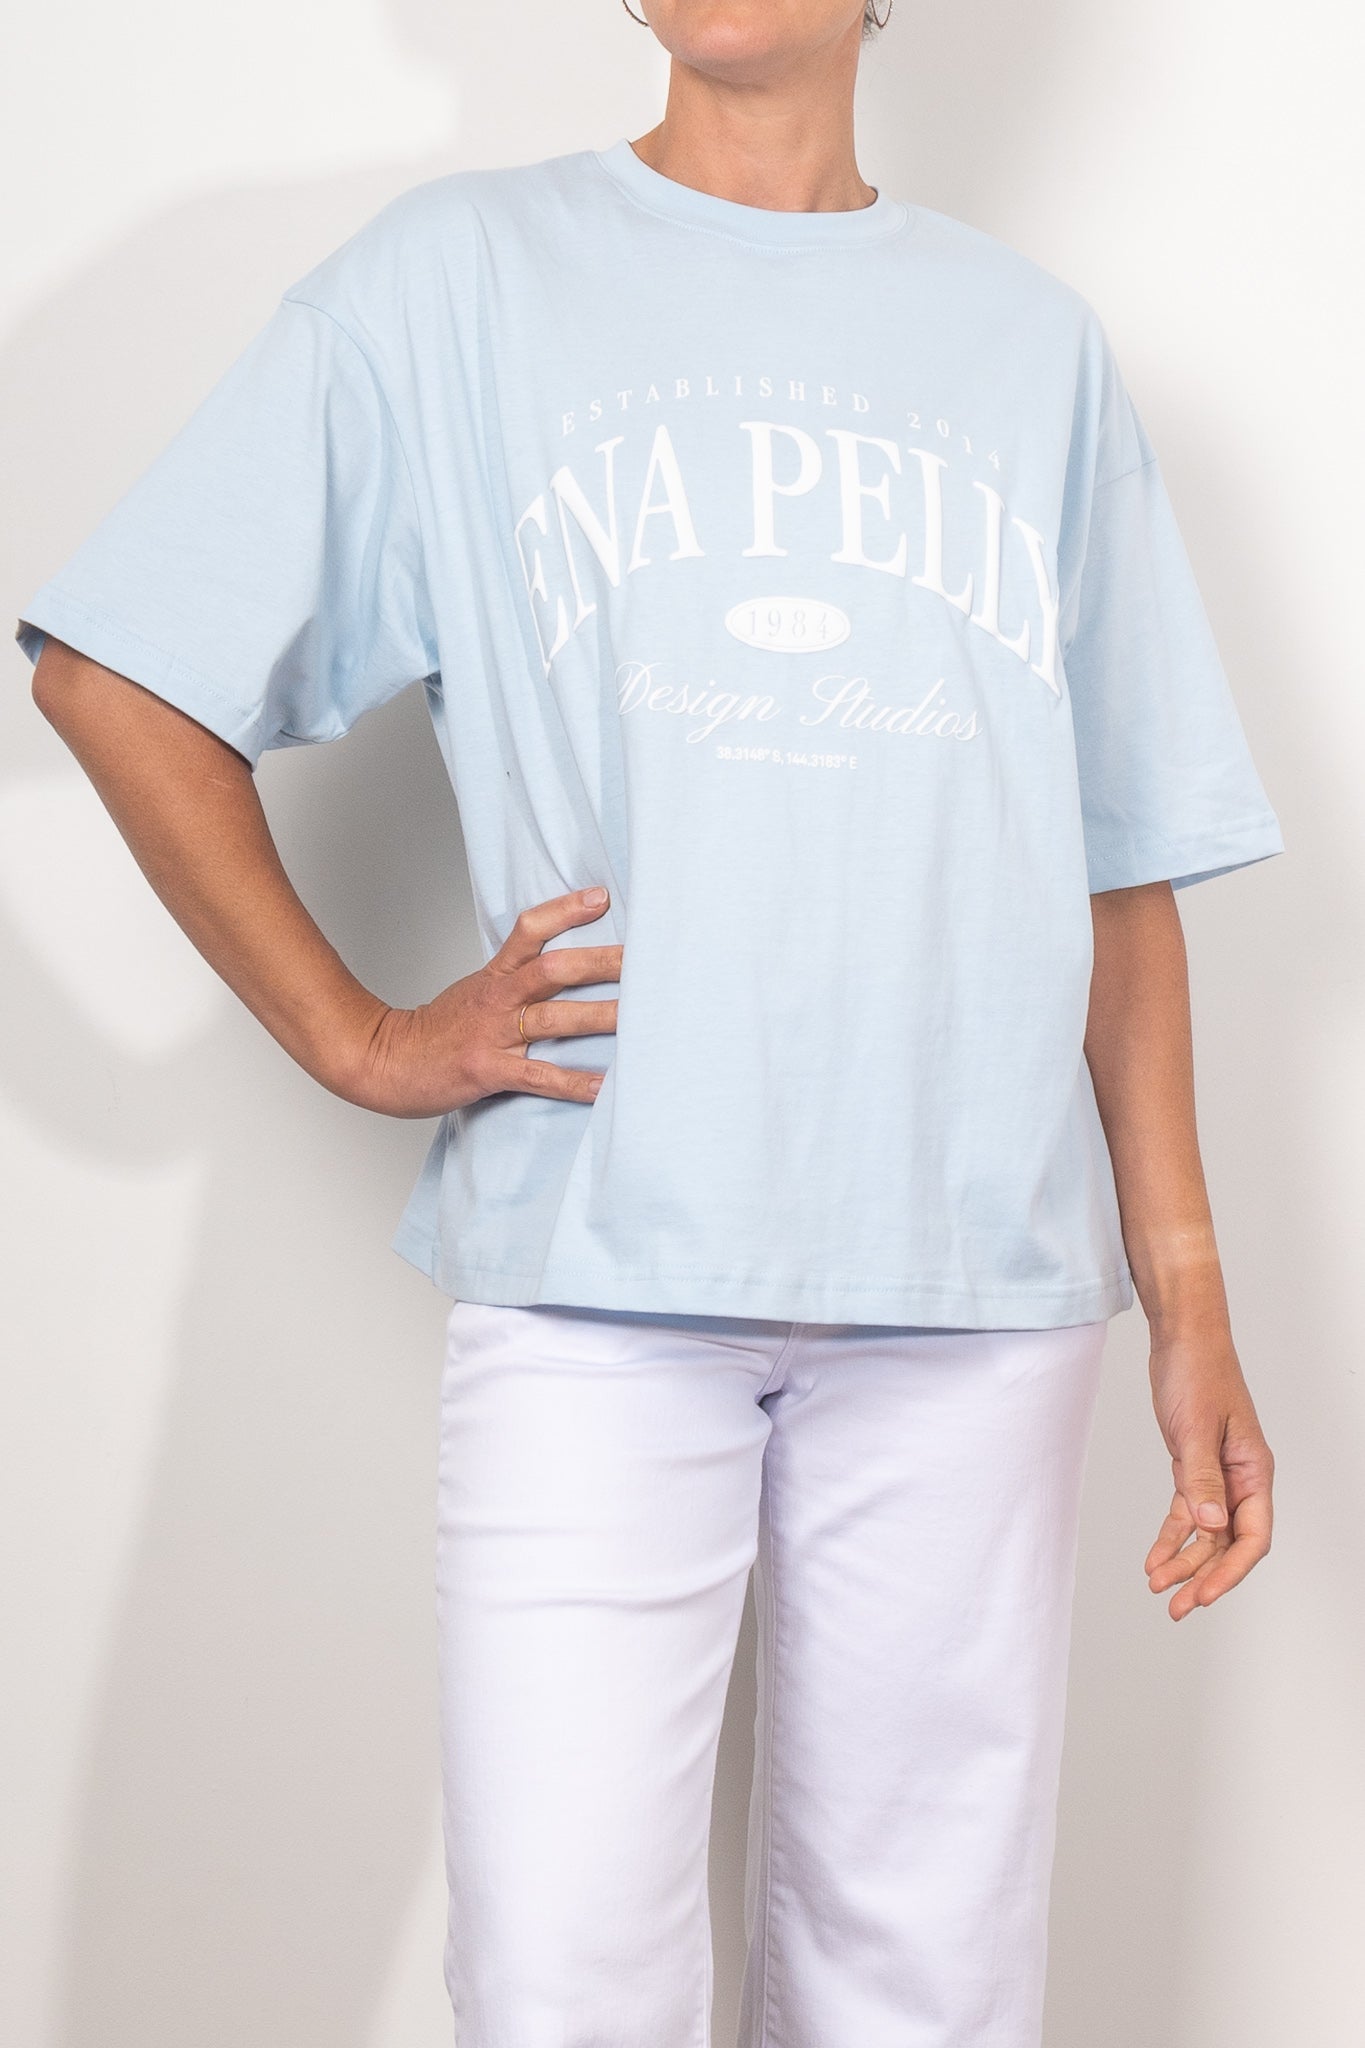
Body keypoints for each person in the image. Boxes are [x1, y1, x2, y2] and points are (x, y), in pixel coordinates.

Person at [18, 1, 1284, 2041]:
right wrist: (356, 1036)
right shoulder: (454, 282)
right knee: (559, 1976)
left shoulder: (1027, 348)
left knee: (925, 1982)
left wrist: (1189, 1293)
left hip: (973, 1287)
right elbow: (117, 672)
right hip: (596, 1263)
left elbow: (1110, 854)